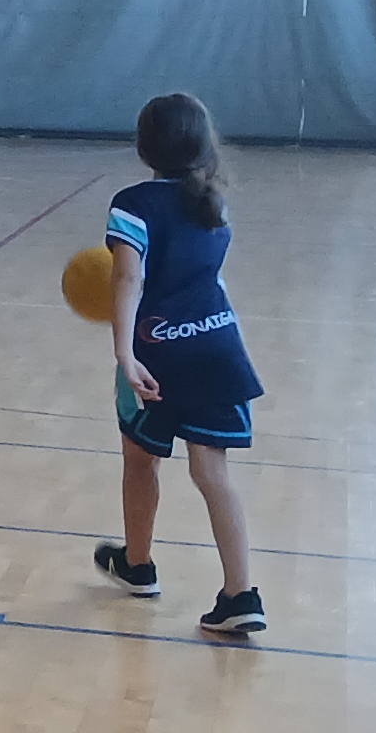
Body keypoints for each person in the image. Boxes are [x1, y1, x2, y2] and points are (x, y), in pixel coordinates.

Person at [91, 92, 265, 636]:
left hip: (160, 351)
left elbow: (128, 276)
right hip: (218, 346)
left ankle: (138, 565)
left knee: (139, 457)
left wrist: (124, 353)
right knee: (212, 471)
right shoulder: (213, 204)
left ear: (144, 147)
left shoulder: (132, 204)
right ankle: (240, 594)